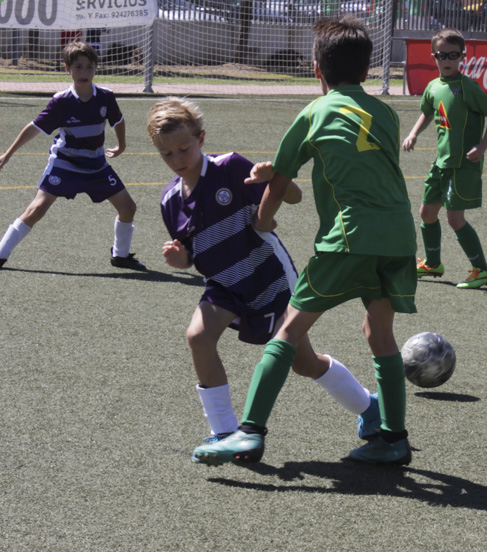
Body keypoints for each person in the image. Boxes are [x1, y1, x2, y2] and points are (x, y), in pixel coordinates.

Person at [193, 16, 418, 466]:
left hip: (351, 237)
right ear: (368, 70)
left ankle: (249, 432)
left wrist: (262, 219)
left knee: (288, 331)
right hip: (398, 237)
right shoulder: (388, 113)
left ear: (317, 69)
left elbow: (278, 182)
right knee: (380, 334)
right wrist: (272, 171)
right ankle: (392, 438)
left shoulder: (314, 112)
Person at [147, 97, 381, 461]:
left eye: (184, 148)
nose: (177, 159)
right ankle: (223, 431)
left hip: (269, 279)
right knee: (198, 336)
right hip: (224, 285)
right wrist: (180, 260)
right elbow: (193, 255)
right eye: (167, 154)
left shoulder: (230, 167)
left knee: (304, 364)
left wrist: (275, 179)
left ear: (201, 138)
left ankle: (369, 406)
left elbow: (295, 197)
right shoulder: (169, 202)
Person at [0, 41, 146, 272]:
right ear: (67, 69)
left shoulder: (105, 97)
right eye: (78, 67)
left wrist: (122, 146)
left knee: (128, 208)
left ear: (96, 68)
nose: (84, 72)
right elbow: (33, 128)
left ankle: (121, 256)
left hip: (97, 165)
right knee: (36, 209)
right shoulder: (61, 102)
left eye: (89, 67)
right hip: (65, 165)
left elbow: (117, 120)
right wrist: (7, 155)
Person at [402, 28, 487, 290]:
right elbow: (427, 112)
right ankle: (433, 263)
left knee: (455, 218)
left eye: (452, 55)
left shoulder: (467, 87)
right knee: (426, 212)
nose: (446, 60)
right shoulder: (433, 87)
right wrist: (413, 134)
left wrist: (482, 147)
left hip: (463, 164)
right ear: (433, 56)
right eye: (441, 55)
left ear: (462, 57)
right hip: (441, 162)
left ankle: (482, 270)